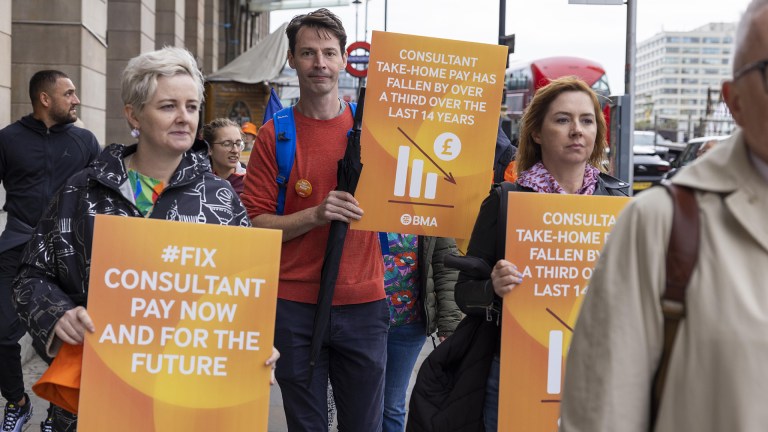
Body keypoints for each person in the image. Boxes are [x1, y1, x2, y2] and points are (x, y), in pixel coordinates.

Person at [12, 47, 279, 432]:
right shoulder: (82, 191)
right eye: (168, 106)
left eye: (191, 106)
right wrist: (56, 316)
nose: (184, 118)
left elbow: (242, 300)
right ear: (134, 115)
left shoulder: (220, 200)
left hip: (187, 406)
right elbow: (30, 275)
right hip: (95, 404)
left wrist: (255, 346)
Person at [560, 1, 768, 430]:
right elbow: (601, 416)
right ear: (734, 101)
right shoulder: (658, 224)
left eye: (585, 121)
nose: (576, 132)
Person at [453, 76, 628, 431]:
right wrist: (492, 288)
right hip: (518, 370)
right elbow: (463, 293)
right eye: (563, 119)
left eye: (587, 120)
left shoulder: (618, 204)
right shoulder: (506, 201)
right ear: (536, 132)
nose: (577, 130)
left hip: (595, 371)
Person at [240, 8, 387, 431]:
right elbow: (255, 225)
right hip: (294, 308)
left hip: (364, 303)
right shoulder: (275, 133)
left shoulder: (376, 129)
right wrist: (316, 214)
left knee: (364, 425)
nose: (319, 64)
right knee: (306, 426)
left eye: (328, 53)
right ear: (291, 59)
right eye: (308, 53)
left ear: (344, 60)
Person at [0, 69, 100, 432]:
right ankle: (18, 401)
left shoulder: (86, 141)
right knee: (2, 333)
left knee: (70, 338)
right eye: (69, 93)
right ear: (45, 99)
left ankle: (60, 415)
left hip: (68, 254)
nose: (76, 100)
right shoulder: (8, 139)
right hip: (16, 244)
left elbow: (106, 195)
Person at [382, 234, 462, 432]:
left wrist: (450, 326)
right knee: (360, 404)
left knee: (392, 403)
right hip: (358, 320)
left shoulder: (429, 206)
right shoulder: (366, 202)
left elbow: (447, 266)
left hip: (408, 324)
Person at [202, 118, 247, 194]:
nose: (235, 150)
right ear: (209, 148)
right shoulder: (198, 181)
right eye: (227, 144)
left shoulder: (249, 182)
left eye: (238, 144)